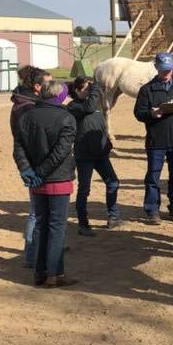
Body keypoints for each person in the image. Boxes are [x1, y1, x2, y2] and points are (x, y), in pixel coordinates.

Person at [13, 80, 76, 288]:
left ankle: (39, 272)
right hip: (57, 179)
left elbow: (18, 148)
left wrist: (28, 171)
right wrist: (39, 173)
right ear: (59, 97)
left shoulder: (26, 116)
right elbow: (61, 152)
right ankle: (54, 274)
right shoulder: (66, 118)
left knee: (41, 226)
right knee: (56, 228)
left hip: (35, 181)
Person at [67, 77, 122, 234]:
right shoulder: (73, 106)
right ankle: (83, 224)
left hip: (100, 154)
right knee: (84, 190)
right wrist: (96, 87)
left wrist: (107, 143)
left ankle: (113, 216)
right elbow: (89, 107)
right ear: (77, 91)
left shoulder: (94, 105)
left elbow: (101, 124)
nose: (90, 91)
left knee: (113, 182)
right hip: (84, 156)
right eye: (87, 88)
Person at [134, 52, 173, 224]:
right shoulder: (146, 90)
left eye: (169, 70)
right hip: (156, 139)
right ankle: (152, 210)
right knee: (153, 176)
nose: (166, 73)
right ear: (156, 68)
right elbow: (138, 113)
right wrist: (151, 114)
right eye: (163, 70)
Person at [10, 65, 51, 267]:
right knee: (36, 211)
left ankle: (45, 246)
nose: (50, 87)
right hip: (34, 163)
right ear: (36, 86)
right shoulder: (27, 107)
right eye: (48, 83)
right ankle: (31, 254)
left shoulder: (26, 103)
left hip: (33, 161)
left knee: (41, 210)